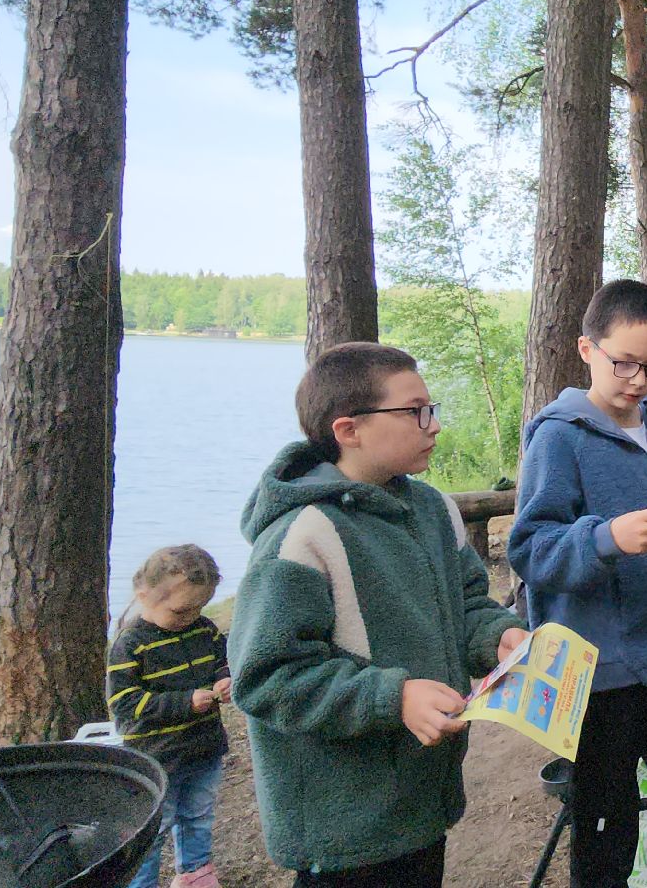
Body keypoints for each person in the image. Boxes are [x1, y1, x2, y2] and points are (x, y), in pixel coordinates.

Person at [230, 342, 529, 888]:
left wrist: (499, 635)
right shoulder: (301, 535)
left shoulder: (433, 509)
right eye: (416, 411)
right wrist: (395, 697)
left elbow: (466, 603)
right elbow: (266, 677)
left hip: (420, 801)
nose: (433, 425)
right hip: (342, 829)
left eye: (431, 408)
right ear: (349, 430)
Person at [509, 279, 647, 888]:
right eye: (624, 363)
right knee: (609, 833)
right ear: (587, 349)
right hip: (601, 675)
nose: (639, 380)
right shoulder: (559, 436)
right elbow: (530, 549)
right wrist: (607, 539)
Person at [108, 544, 230, 888]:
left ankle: (195, 873)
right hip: (156, 757)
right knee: (154, 827)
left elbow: (222, 657)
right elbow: (124, 702)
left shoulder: (203, 630)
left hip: (203, 747)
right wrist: (184, 702)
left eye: (199, 608)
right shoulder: (130, 644)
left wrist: (224, 676)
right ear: (144, 595)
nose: (189, 618)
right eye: (180, 611)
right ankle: (141, 882)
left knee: (199, 815)